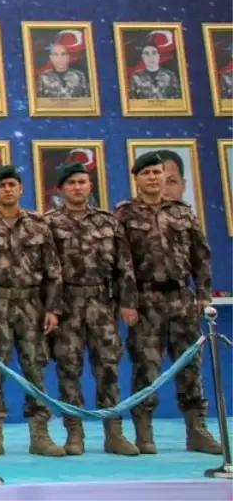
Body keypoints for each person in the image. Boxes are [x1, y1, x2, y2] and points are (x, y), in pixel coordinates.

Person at [115, 152, 220, 454]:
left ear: (165, 177)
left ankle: (196, 429)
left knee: (190, 365)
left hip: (181, 298)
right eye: (146, 173)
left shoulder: (183, 212)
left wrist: (203, 293)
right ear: (136, 179)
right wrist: (128, 301)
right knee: (145, 367)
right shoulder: (125, 214)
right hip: (145, 300)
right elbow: (122, 263)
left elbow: (201, 255)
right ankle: (144, 432)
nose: (152, 177)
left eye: (157, 172)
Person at [0, 165, 65, 458]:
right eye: (2, 186)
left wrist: (53, 308)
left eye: (12, 185)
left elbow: (53, 271)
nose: (8, 190)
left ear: (21, 189)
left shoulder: (38, 224)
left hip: (32, 305)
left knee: (35, 368)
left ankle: (40, 433)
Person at [43, 162, 138, 456]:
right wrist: (50, 308)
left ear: (90, 186)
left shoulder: (108, 222)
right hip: (66, 304)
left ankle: (114, 433)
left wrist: (127, 302)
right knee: (68, 369)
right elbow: (46, 270)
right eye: (71, 182)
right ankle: (75, 434)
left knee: (107, 367)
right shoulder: (48, 223)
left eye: (82, 181)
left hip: (101, 302)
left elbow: (124, 266)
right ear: (61, 189)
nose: (77, 187)